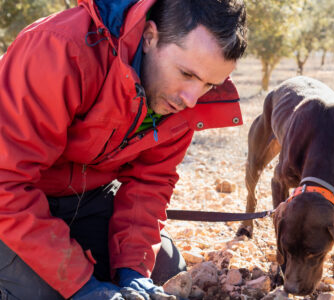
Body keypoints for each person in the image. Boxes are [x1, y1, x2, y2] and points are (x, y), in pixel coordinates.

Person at [0, 0, 247, 298]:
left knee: (165, 271)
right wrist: (82, 286)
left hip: (84, 199)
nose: (192, 99)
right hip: (12, 199)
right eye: (187, 74)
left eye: (209, 84)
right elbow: (6, 183)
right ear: (149, 37)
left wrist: (132, 272)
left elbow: (149, 184)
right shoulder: (59, 49)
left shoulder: (179, 99)